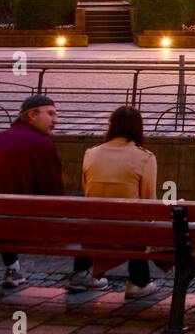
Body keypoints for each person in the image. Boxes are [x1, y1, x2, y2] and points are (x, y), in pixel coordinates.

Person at [67, 106, 162, 297]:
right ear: (139, 128)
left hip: (93, 231)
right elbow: (149, 203)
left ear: (111, 126)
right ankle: (138, 282)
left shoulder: (90, 154)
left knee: (86, 206)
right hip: (127, 236)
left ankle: (81, 272)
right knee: (140, 220)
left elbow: (88, 191)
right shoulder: (145, 157)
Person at [0, 94, 65, 289]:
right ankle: (82, 273)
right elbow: (53, 192)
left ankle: (12, 268)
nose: (55, 121)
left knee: (5, 205)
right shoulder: (42, 144)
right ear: (31, 115)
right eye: (50, 114)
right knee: (82, 203)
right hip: (22, 225)